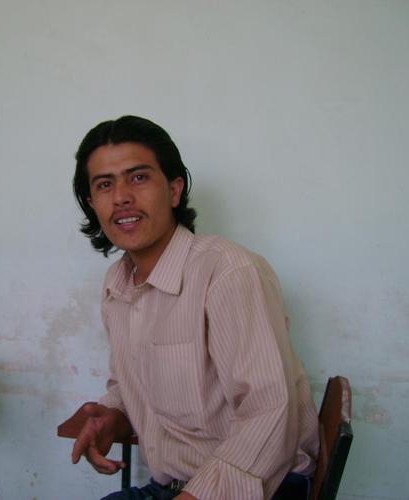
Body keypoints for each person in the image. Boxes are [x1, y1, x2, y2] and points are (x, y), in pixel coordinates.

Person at [69, 115, 319, 500]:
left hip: (260, 488)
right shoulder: (117, 285)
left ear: (174, 190)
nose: (120, 197)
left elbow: (270, 415)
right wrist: (113, 418)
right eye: (104, 184)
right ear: (92, 204)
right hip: (173, 485)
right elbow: (130, 383)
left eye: (138, 177)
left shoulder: (228, 272)